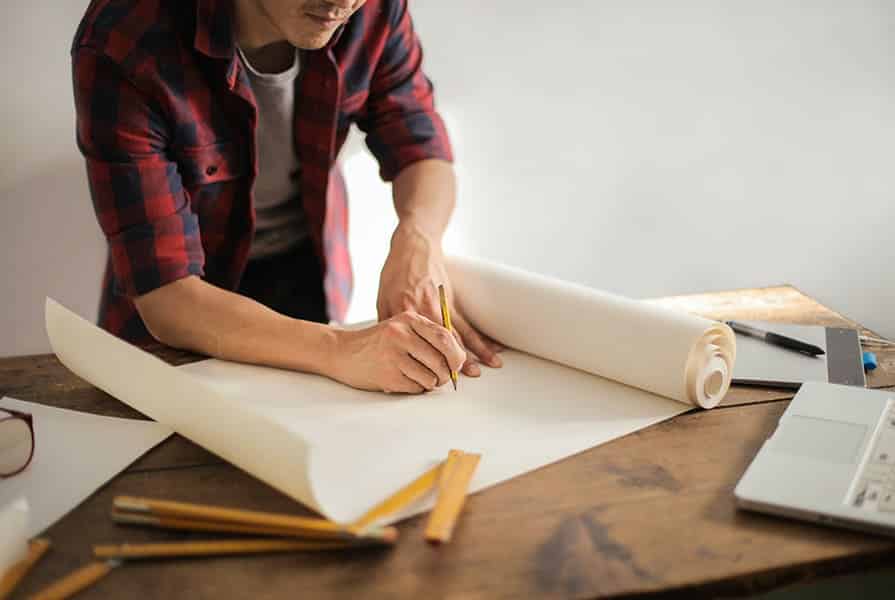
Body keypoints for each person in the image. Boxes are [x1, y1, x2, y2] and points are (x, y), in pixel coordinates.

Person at [71, 0, 502, 394]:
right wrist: (341, 350)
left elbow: (422, 147)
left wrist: (417, 238)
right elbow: (167, 297)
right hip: (181, 320)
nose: (342, 3)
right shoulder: (124, 38)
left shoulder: (372, 10)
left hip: (306, 273)